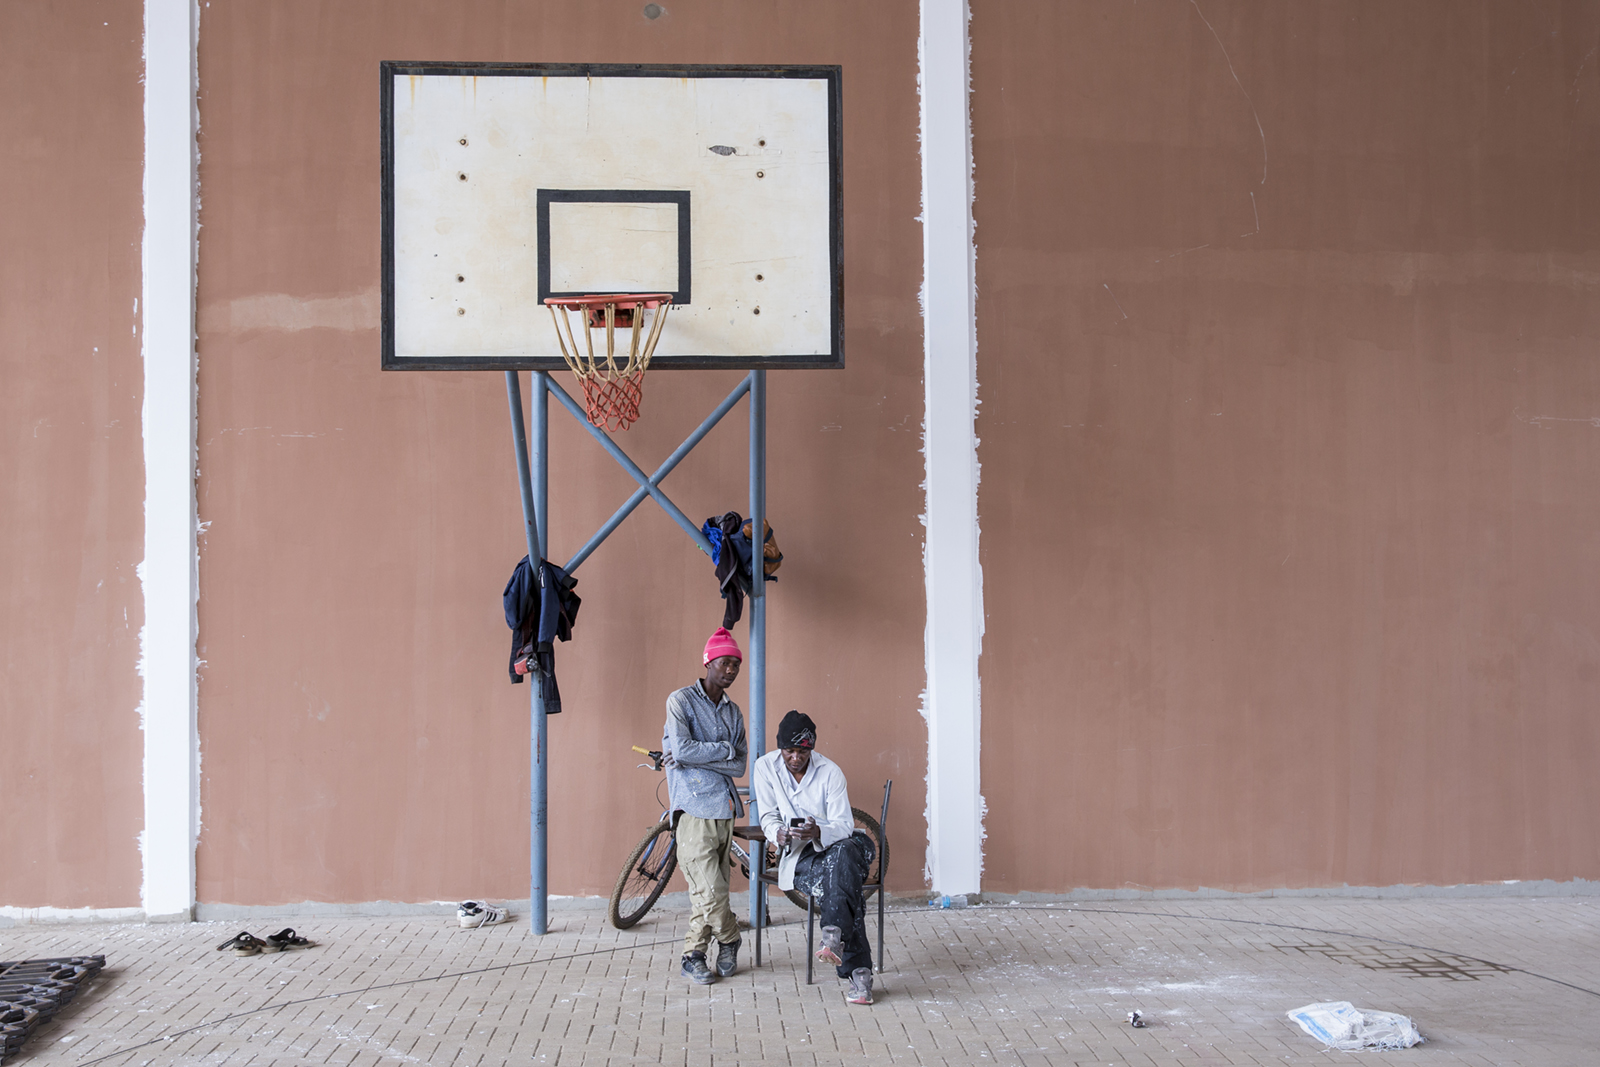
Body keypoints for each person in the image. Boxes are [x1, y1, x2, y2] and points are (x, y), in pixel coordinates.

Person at [751, 710, 876, 1005]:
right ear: (780, 747)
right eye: (789, 751)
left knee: (842, 857)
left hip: (842, 845)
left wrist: (818, 831)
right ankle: (856, 970)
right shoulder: (765, 767)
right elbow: (767, 814)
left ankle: (836, 939)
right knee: (843, 883)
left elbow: (844, 825)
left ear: (812, 749)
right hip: (802, 855)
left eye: (803, 752)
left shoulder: (831, 772)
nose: (796, 758)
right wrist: (778, 833)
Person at [663, 626, 748, 985]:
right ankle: (730, 938)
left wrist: (699, 756)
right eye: (724, 663)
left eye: (735, 664)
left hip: (724, 810)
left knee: (707, 892)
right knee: (712, 891)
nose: (730, 670)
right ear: (708, 663)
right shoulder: (681, 701)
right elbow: (682, 750)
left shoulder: (733, 712)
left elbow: (739, 765)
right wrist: (723, 750)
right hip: (693, 810)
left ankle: (693, 956)